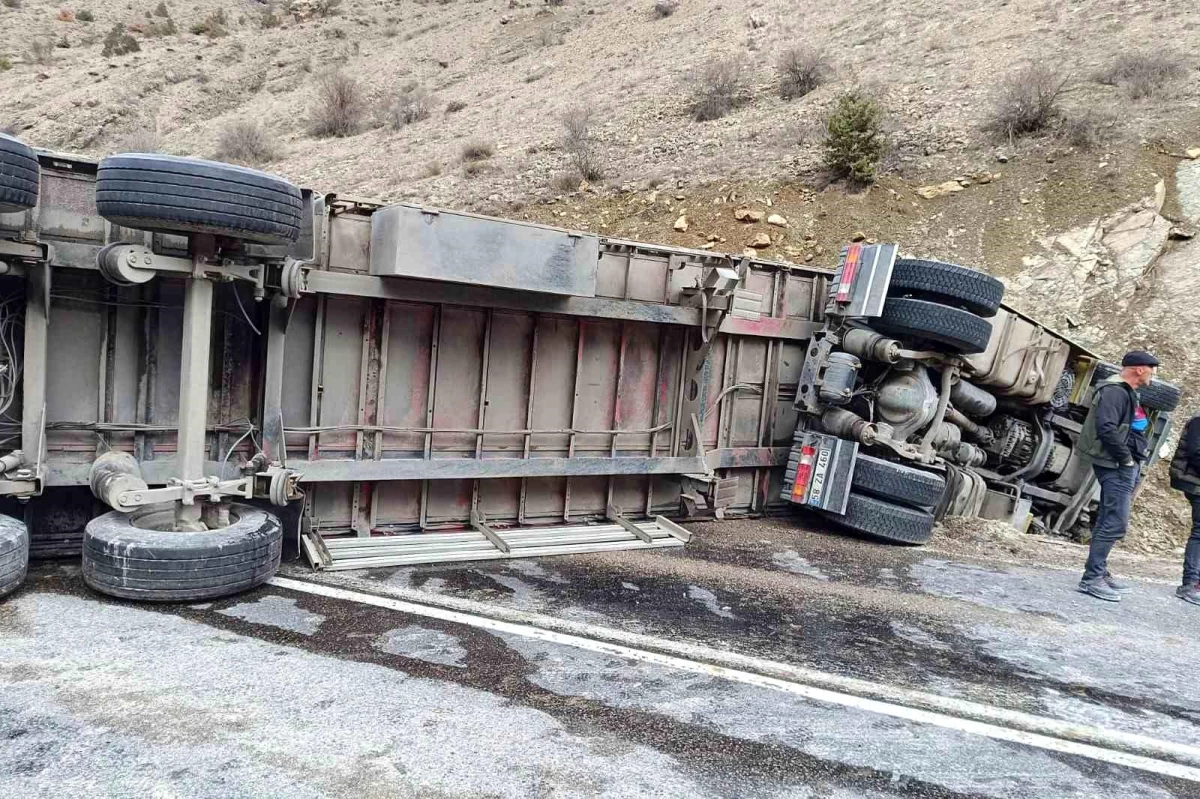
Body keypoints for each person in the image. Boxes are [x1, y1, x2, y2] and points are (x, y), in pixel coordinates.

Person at [1074, 350, 1159, 601]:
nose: (1154, 375)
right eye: (1152, 369)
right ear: (1140, 369)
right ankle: (1091, 579)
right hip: (1116, 464)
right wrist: (1126, 459)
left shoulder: (1127, 392)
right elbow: (1107, 428)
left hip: (1123, 464)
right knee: (1116, 522)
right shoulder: (1114, 391)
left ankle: (1097, 571)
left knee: (1108, 519)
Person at [1169, 412, 1200, 606]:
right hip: (1195, 483)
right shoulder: (1198, 421)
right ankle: (1189, 583)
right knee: (1199, 533)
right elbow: (1196, 454)